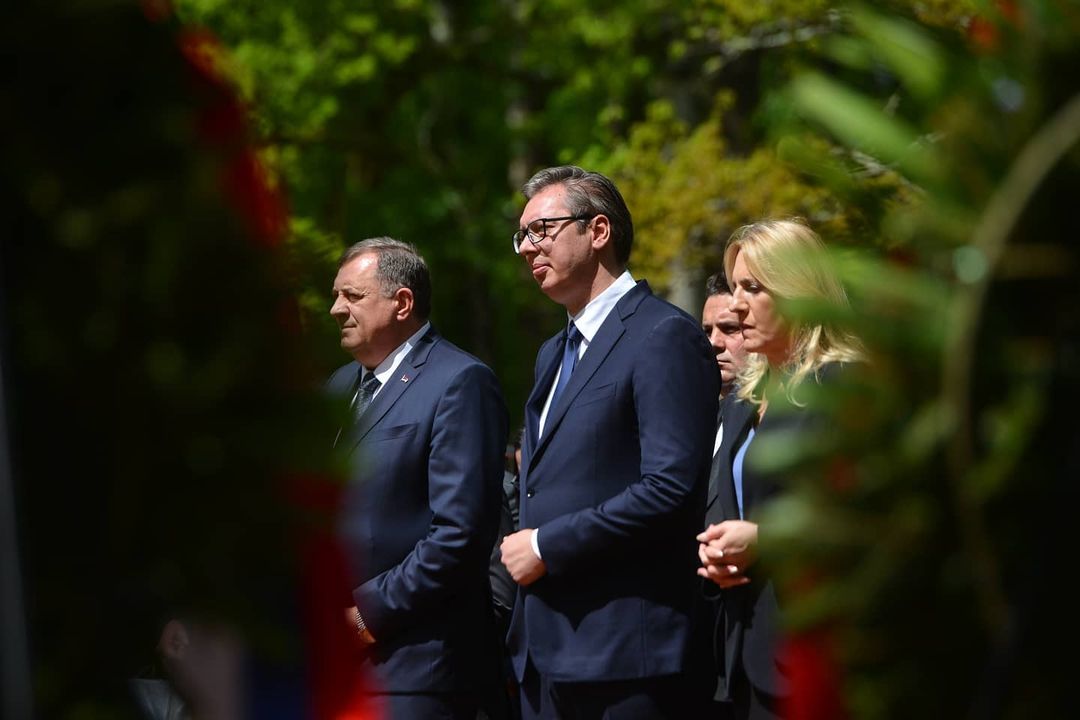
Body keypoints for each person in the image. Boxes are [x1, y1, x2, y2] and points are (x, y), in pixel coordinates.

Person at [500, 165, 719, 718]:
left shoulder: (663, 335)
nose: (526, 248)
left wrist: (545, 545)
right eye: (521, 235)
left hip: (626, 657)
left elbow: (670, 489)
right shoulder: (552, 353)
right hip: (544, 656)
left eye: (541, 229)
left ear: (598, 231)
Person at [326, 237, 508, 719]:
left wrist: (364, 617)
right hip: (335, 669)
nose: (336, 309)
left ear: (402, 302)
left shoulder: (459, 381)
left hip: (416, 672)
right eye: (336, 295)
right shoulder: (338, 387)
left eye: (352, 296)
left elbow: (459, 535)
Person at [697, 219, 865, 719]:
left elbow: (864, 518)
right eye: (734, 287)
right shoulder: (743, 401)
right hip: (743, 656)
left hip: (815, 658)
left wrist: (764, 540)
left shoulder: (843, 384)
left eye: (753, 288)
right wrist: (717, 554)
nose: (736, 304)